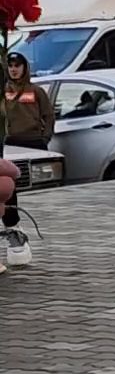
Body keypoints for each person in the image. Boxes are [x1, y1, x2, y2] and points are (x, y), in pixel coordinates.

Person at [2, 51, 53, 266]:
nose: (14, 69)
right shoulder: (4, 91)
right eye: (10, 65)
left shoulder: (36, 91)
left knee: (11, 184)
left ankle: (14, 230)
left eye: (17, 65)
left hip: (32, 142)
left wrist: (45, 137)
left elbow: (48, 115)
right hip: (9, 141)